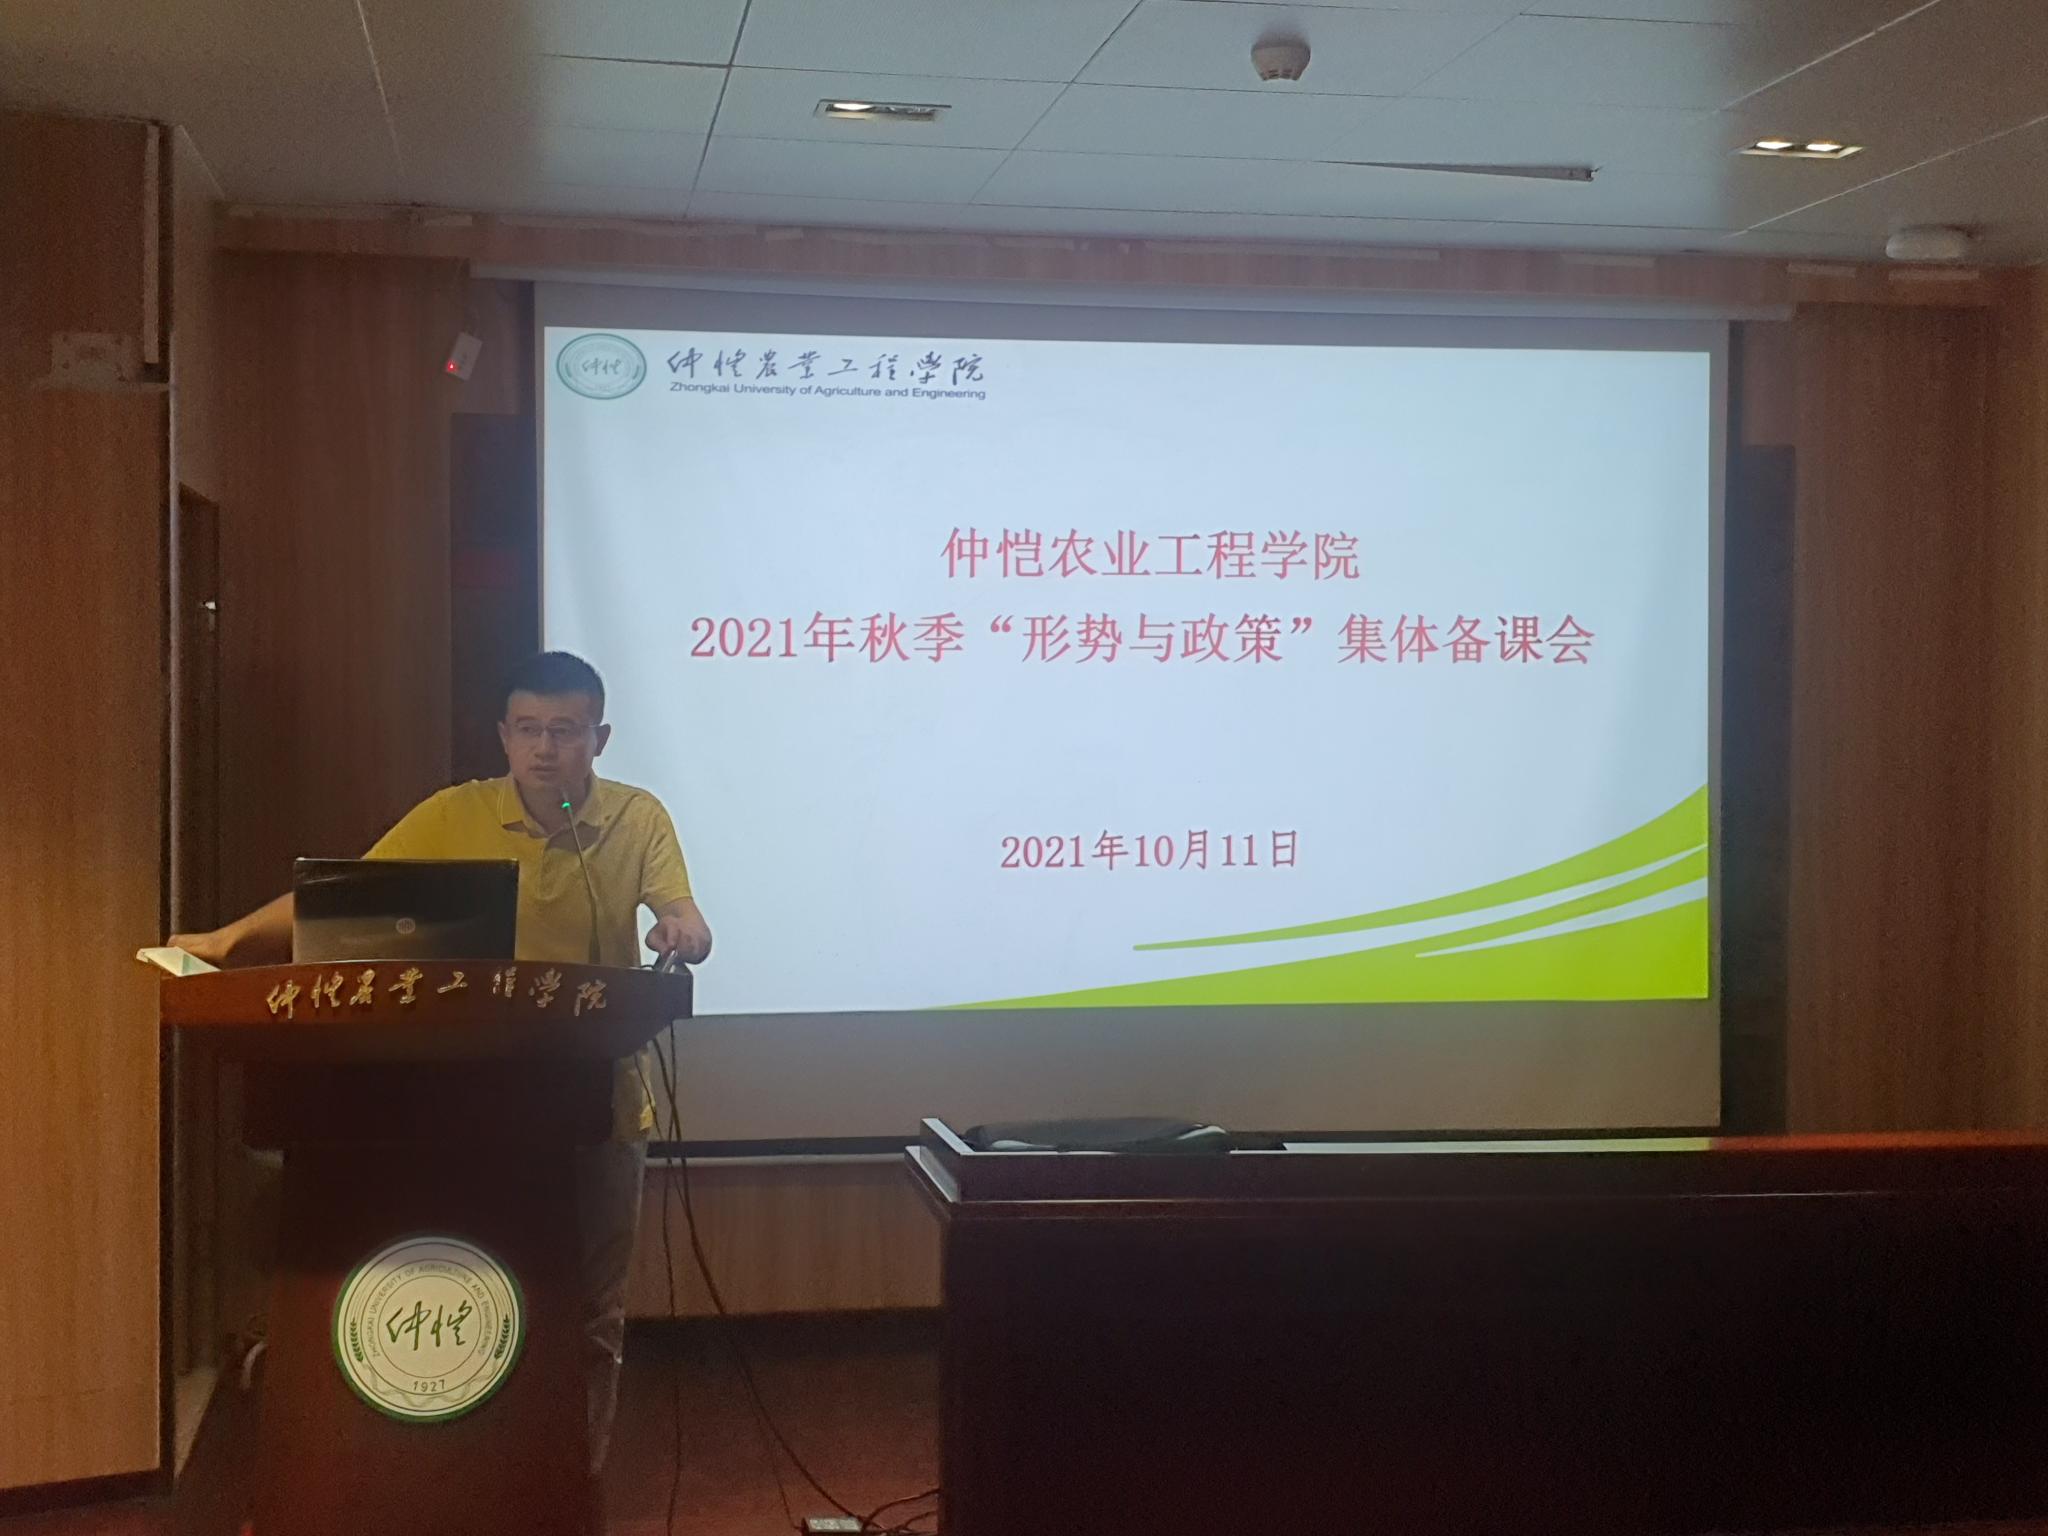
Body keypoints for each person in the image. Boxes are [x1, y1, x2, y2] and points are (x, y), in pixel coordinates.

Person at [170, 649, 709, 1489]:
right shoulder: (457, 813)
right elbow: (341, 900)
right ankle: (470, 1476)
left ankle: (574, 1485)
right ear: (503, 735)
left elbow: (686, 917)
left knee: (591, 1308)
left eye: (565, 731)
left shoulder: (637, 819)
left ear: (599, 739)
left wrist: (683, 932)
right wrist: (227, 940)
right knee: (494, 1289)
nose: (545, 748)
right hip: (472, 1104)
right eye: (528, 729)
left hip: (598, 1100)